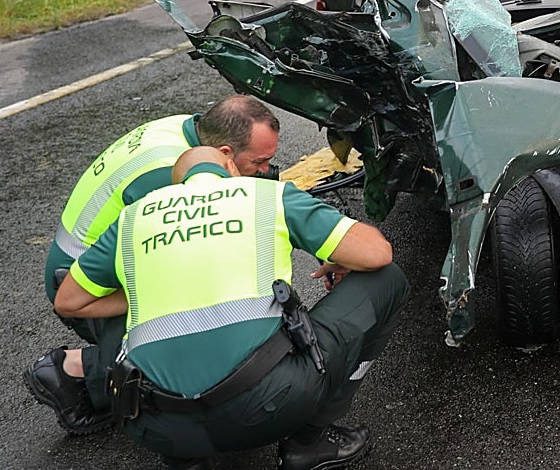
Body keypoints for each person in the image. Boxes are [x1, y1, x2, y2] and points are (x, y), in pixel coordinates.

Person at [54, 146, 409, 470]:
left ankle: (188, 460)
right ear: (229, 166)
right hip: (269, 408)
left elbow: (68, 300)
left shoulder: (134, 218)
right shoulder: (265, 196)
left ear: (177, 185)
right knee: (386, 280)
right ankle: (310, 442)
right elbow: (378, 254)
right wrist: (340, 259)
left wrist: (147, 288)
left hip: (154, 425)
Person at [24, 95, 282, 435]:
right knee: (197, 309)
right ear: (224, 153)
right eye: (260, 162)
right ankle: (74, 372)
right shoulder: (165, 176)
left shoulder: (188, 133)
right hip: (80, 282)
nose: (266, 171)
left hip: (92, 265)